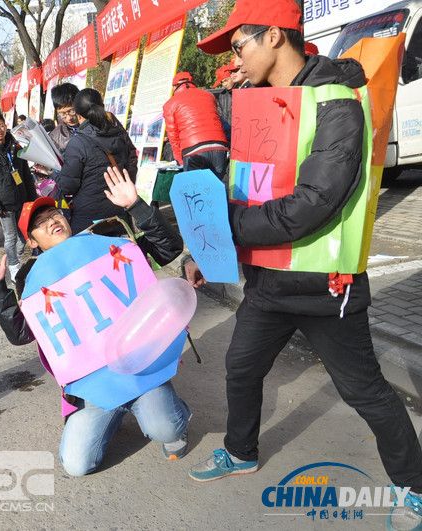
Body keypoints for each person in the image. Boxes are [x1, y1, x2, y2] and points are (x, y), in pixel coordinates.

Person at [190, 3, 422, 528]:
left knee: (365, 391)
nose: (234, 62)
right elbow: (240, 189)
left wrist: (226, 227)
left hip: (325, 288)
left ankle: (414, 485)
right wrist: (208, 251)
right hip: (268, 283)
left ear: (274, 36)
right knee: (241, 367)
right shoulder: (255, 103)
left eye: (239, 46)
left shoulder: (336, 101)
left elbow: (314, 202)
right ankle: (241, 451)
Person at [0, 166, 188, 476]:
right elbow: (21, 334)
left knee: (166, 430)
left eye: (54, 215)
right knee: (76, 464)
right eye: (41, 224)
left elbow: (168, 249)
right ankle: (114, 413)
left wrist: (135, 205)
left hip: (140, 366)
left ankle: (168, 410)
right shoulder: (32, 280)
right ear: (32, 242)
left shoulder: (107, 240)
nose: (52, 222)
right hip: (92, 385)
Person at [54, 88, 138, 234]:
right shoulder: (116, 130)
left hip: (89, 216)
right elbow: (132, 159)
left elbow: (68, 186)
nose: (68, 117)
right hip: (119, 206)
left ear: (79, 114)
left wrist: (54, 174)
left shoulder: (78, 143)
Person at [0, 110, 37, 283]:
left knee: (23, 235)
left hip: (23, 200)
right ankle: (13, 267)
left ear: (6, 126)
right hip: (4, 206)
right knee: (10, 237)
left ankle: (15, 259)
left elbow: (26, 175)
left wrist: (32, 199)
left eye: (1, 126)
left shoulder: (16, 148)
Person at [163, 72, 229, 180]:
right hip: (219, 147)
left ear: (175, 86)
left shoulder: (170, 104)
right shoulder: (209, 95)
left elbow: (173, 135)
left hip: (193, 150)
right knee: (217, 189)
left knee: (196, 191)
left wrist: (179, 159)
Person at [48, 83, 80, 153]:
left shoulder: (96, 124)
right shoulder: (54, 137)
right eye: (62, 114)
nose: (69, 118)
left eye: (72, 111)